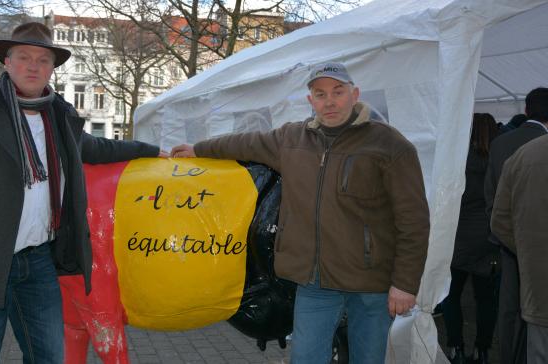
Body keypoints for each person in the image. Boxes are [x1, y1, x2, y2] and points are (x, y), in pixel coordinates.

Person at [0, 22, 165, 363]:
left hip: (39, 260)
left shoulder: (59, 114)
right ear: (7, 61)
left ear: (52, 67)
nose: (33, 66)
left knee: (50, 355)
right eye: (24, 57)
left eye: (43, 59)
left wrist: (154, 151)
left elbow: (95, 148)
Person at [171, 62, 430, 363]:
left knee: (368, 359)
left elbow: (413, 220)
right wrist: (198, 149)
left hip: (370, 283)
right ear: (311, 100)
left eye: (338, 91)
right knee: (305, 358)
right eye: (320, 94)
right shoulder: (291, 139)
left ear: (354, 93)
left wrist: (405, 283)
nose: (329, 101)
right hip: (314, 280)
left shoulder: (390, 145)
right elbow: (244, 143)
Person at [484, 87, 548, 364]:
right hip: (526, 249)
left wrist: (522, 245)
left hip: (517, 249)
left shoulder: (502, 145)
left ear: (526, 111)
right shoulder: (535, 147)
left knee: (511, 310)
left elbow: (494, 208)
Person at [443, 113, 499, 364]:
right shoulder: (498, 162)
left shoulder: (458, 161)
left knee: (451, 295)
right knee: (485, 299)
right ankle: (482, 350)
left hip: (457, 236)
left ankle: (455, 346)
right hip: (488, 237)